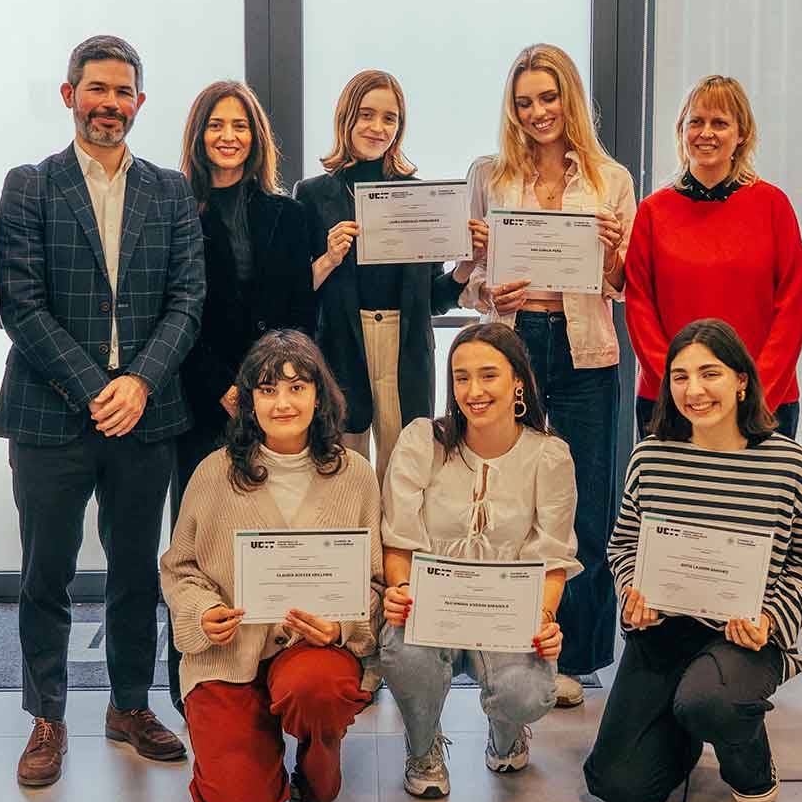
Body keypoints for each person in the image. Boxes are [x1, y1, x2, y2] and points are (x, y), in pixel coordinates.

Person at [0, 34, 206, 784]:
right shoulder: (29, 186)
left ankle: (128, 704)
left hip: (146, 415)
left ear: (139, 104)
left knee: (134, 575)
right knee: (44, 574)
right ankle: (46, 718)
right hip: (51, 415)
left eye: (123, 93)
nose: (109, 104)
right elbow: (19, 303)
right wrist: (94, 386)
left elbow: (189, 298)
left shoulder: (171, 190)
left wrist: (140, 382)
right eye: (97, 90)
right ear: (69, 95)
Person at [583, 319, 802, 802]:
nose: (693, 390)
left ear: (742, 380)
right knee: (618, 787)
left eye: (709, 374)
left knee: (710, 702)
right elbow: (624, 545)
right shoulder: (650, 458)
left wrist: (768, 620)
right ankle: (687, 729)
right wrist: (633, 591)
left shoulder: (791, 465)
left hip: (745, 638)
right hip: (664, 632)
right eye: (679, 377)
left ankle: (750, 760)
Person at [461, 43, 635, 708]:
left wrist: (616, 250)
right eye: (525, 101)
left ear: (571, 98)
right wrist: (486, 285)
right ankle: (504, 649)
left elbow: (618, 284)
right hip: (515, 343)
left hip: (587, 348)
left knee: (587, 506)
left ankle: (580, 656)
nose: (538, 112)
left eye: (548, 97)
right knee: (509, 504)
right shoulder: (490, 174)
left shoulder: (610, 178)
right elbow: (468, 281)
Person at [162, 330, 382, 802]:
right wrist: (201, 614)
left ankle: (316, 753)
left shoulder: (356, 476)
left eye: (297, 387)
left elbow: (373, 580)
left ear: (319, 395)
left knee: (316, 689)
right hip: (229, 653)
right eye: (266, 389)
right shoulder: (213, 473)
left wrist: (340, 624)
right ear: (247, 401)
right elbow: (180, 567)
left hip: (310, 653)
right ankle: (257, 750)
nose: (282, 402)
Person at [168, 80, 319, 710]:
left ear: (257, 137)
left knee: (277, 525)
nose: (228, 136)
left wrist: (261, 383)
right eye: (215, 125)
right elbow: (177, 309)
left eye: (240, 125)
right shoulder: (176, 212)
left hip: (275, 396)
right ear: (199, 137)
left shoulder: (290, 214)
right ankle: (195, 674)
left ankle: (275, 661)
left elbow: (299, 313)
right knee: (202, 540)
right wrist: (222, 387)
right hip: (201, 398)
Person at [378, 321, 576, 798]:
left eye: (488, 375)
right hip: (431, 608)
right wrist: (399, 589)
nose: (473, 390)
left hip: (507, 614)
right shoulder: (422, 441)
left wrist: (546, 617)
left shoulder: (550, 456)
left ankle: (507, 731)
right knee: (403, 653)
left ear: (518, 383)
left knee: (526, 692)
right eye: (461, 377)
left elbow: (553, 556)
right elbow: (399, 538)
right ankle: (423, 749)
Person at [295, 69, 485, 483]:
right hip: (344, 344)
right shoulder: (311, 194)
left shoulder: (417, 196)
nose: (377, 127)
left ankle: (399, 551)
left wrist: (465, 269)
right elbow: (296, 294)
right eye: (366, 114)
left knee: (406, 471)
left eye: (389, 118)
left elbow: (434, 299)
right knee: (344, 470)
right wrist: (327, 258)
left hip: (406, 343)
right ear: (346, 118)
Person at [625, 76, 802, 439]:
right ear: (682, 130)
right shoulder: (651, 212)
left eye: (720, 123)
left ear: (741, 134)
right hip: (669, 402)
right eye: (697, 121)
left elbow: (792, 308)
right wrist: (681, 390)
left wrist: (751, 393)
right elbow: (640, 309)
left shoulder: (773, 206)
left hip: (763, 402)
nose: (706, 133)